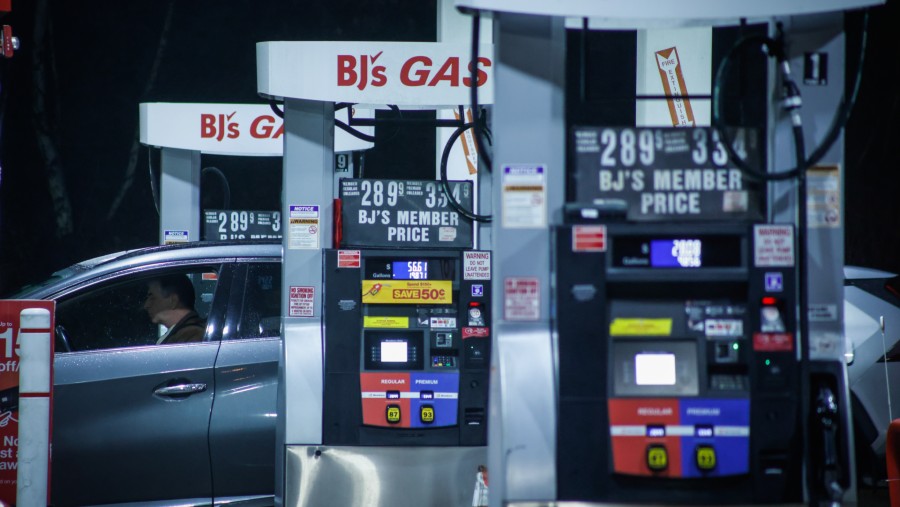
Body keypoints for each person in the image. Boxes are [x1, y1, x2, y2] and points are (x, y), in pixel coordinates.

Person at [143, 274, 205, 344]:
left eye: (152, 297)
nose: (146, 305)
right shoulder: (185, 334)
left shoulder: (192, 336)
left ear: (173, 301)